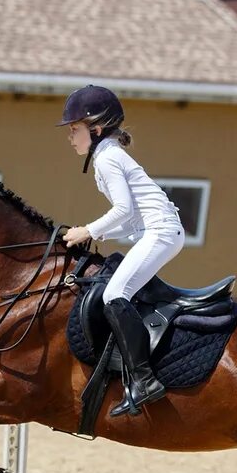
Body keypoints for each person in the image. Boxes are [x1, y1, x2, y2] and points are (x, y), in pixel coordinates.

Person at [59, 85, 185, 417]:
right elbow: (128, 219)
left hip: (161, 231)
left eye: (74, 129)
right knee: (117, 290)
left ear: (96, 129)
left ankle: (144, 380)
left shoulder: (108, 158)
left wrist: (88, 229)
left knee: (114, 295)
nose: (70, 136)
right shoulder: (108, 154)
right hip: (159, 231)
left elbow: (124, 211)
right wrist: (92, 234)